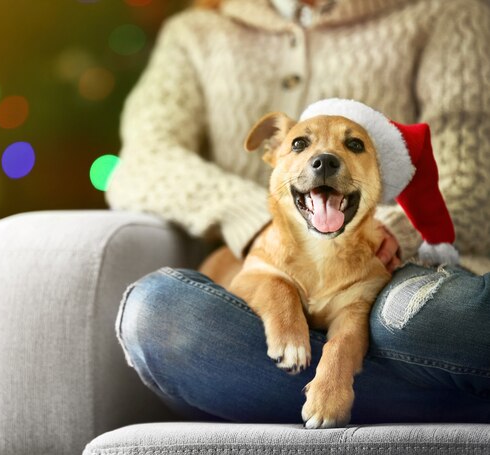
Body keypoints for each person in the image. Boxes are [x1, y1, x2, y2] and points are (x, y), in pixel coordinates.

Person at [105, 0, 490, 423]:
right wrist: (259, 218)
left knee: (413, 318)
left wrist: (386, 233)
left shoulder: (448, 12)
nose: (324, 160)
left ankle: (333, 389)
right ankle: (448, 402)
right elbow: (141, 160)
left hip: (403, 274)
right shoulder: (195, 34)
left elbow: (472, 174)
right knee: (158, 313)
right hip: (252, 305)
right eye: (303, 146)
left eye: (354, 145)